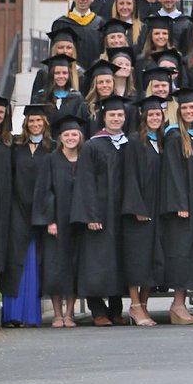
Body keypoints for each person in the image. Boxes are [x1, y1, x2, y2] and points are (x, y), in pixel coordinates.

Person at [70, 94, 130, 326]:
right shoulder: (93, 145)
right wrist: (90, 215)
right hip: (99, 214)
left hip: (120, 213)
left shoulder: (128, 144)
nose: (116, 118)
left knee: (118, 260)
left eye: (120, 115)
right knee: (96, 261)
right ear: (104, 117)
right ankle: (97, 310)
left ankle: (116, 310)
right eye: (112, 115)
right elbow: (85, 182)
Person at [0, 104, 52, 327]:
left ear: (45, 124)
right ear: (26, 123)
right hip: (16, 211)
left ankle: (30, 316)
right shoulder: (15, 147)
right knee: (14, 260)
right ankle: (12, 315)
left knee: (34, 261)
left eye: (39, 121)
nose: (35, 124)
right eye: (31, 121)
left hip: (42, 212)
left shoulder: (52, 148)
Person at [33, 115, 84, 327]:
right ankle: (56, 313)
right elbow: (44, 192)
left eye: (74, 134)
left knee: (74, 266)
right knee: (56, 267)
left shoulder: (85, 159)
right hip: (57, 223)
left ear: (80, 136)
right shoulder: (51, 160)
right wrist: (49, 220)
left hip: (78, 223)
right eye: (66, 135)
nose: (71, 138)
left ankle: (69, 313)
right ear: (60, 137)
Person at [121, 96, 167, 326]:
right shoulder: (134, 141)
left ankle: (144, 305)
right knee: (137, 259)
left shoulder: (162, 141)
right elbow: (129, 176)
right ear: (143, 117)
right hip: (140, 211)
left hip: (158, 208)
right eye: (151, 114)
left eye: (158, 114)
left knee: (153, 258)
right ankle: (135, 305)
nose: (155, 118)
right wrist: (136, 207)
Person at [159, 89, 193, 324]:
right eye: (184, 108)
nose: (188, 111)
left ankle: (181, 303)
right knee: (181, 254)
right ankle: (177, 304)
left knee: (189, 254)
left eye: (192, 107)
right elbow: (173, 173)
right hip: (182, 207)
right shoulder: (175, 136)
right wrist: (180, 203)